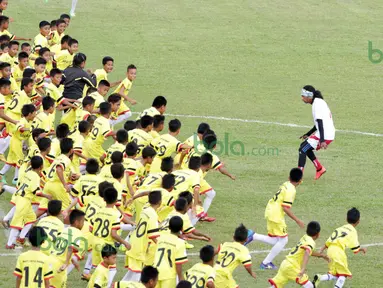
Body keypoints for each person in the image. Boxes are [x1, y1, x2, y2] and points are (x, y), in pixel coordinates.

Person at [245, 168, 304, 270]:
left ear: (289, 177)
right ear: (300, 181)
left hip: (270, 210)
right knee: (284, 240)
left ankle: (253, 236)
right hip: (276, 215)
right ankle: (266, 263)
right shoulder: (291, 190)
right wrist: (297, 220)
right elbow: (285, 207)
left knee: (277, 240)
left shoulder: (286, 184)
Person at [312, 208, 367, 288]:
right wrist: (362, 249)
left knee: (334, 273)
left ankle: (320, 277)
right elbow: (355, 249)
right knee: (343, 275)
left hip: (330, 250)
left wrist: (321, 250)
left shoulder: (339, 228)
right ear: (358, 221)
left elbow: (328, 241)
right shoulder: (353, 231)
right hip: (338, 253)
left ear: (346, 219)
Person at [6, 156, 51, 248]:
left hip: (21, 198)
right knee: (17, 223)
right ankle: (9, 244)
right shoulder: (35, 177)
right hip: (24, 201)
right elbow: (37, 192)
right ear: (41, 166)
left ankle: (21, 238)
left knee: (31, 219)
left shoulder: (28, 172)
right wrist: (47, 196)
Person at [268, 221, 328, 288]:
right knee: (310, 286)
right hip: (292, 267)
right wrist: (303, 268)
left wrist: (321, 255)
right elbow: (307, 252)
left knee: (276, 286)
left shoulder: (305, 237)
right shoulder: (311, 242)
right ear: (318, 234)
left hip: (285, 264)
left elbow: (308, 251)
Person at [90, 187, 130, 284]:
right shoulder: (115, 214)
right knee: (111, 270)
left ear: (104, 199)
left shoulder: (98, 211)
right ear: (116, 200)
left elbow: (91, 228)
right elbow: (113, 234)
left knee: (99, 268)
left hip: (95, 242)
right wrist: (125, 243)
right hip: (106, 245)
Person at [298, 85, 335, 180]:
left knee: (302, 149)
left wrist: (322, 140)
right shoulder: (319, 101)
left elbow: (320, 122)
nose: (302, 98)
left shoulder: (316, 105)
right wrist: (308, 134)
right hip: (327, 133)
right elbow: (317, 124)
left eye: (303, 96)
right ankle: (319, 168)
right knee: (306, 148)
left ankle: (298, 176)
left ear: (309, 96)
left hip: (325, 135)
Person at [123, 190, 162, 282]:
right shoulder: (153, 215)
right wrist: (162, 245)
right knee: (137, 276)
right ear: (160, 202)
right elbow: (153, 236)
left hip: (134, 241)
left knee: (131, 274)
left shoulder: (145, 209)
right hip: (139, 247)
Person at [50, 209, 86, 288]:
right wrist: (67, 263)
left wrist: (74, 261)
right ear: (77, 222)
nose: (83, 224)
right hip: (60, 265)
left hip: (50, 262)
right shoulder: (78, 233)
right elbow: (70, 247)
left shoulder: (64, 230)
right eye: (83, 221)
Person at [3, 104, 36, 184]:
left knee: (10, 160)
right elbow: (20, 128)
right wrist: (29, 129)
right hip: (16, 142)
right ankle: (16, 179)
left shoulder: (30, 121)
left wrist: (25, 145)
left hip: (18, 142)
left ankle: (1, 173)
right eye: (34, 113)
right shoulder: (22, 121)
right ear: (29, 114)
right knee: (20, 159)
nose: (36, 114)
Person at [154, 216, 188, 287]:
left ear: (169, 227)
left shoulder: (160, 237)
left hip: (155, 273)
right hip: (168, 276)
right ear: (181, 229)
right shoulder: (180, 243)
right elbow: (178, 264)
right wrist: (180, 277)